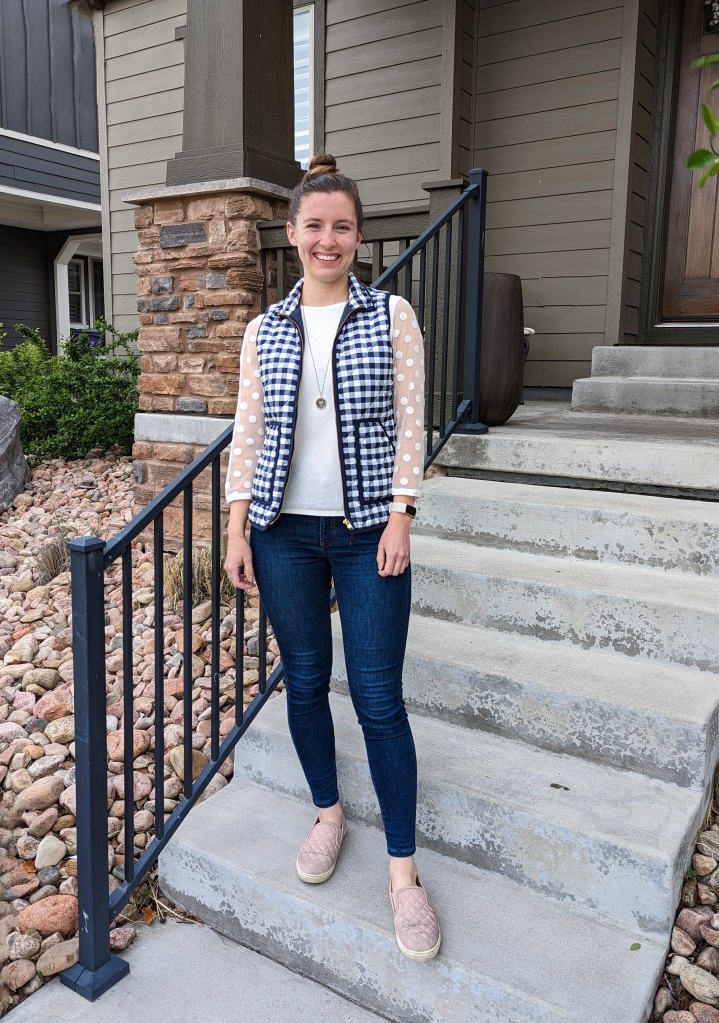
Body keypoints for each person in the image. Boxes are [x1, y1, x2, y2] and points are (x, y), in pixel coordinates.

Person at [223, 154, 440, 962]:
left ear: (357, 235)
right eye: (314, 225)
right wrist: (238, 527)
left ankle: (403, 876)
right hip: (283, 533)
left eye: (342, 226)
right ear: (292, 233)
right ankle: (327, 812)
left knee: (380, 699)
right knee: (306, 679)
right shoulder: (264, 328)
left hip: (365, 534)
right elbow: (249, 435)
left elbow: (409, 426)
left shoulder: (392, 316)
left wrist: (401, 514)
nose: (328, 238)